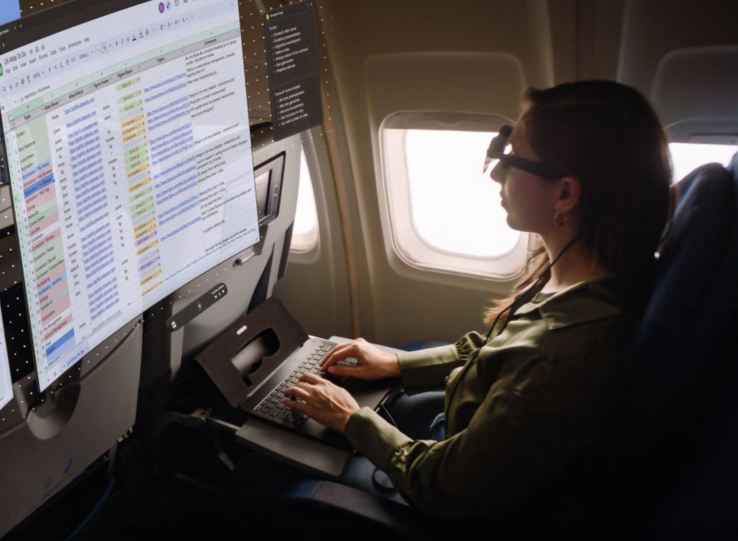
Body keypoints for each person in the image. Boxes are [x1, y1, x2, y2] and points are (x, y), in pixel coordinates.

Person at [280, 80, 672, 519]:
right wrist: (398, 365)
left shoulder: (560, 360)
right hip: (465, 433)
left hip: (447, 494)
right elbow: (499, 350)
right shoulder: (587, 272)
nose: (497, 173)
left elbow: (445, 487)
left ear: (565, 193)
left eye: (513, 158)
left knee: (284, 482)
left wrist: (353, 420)